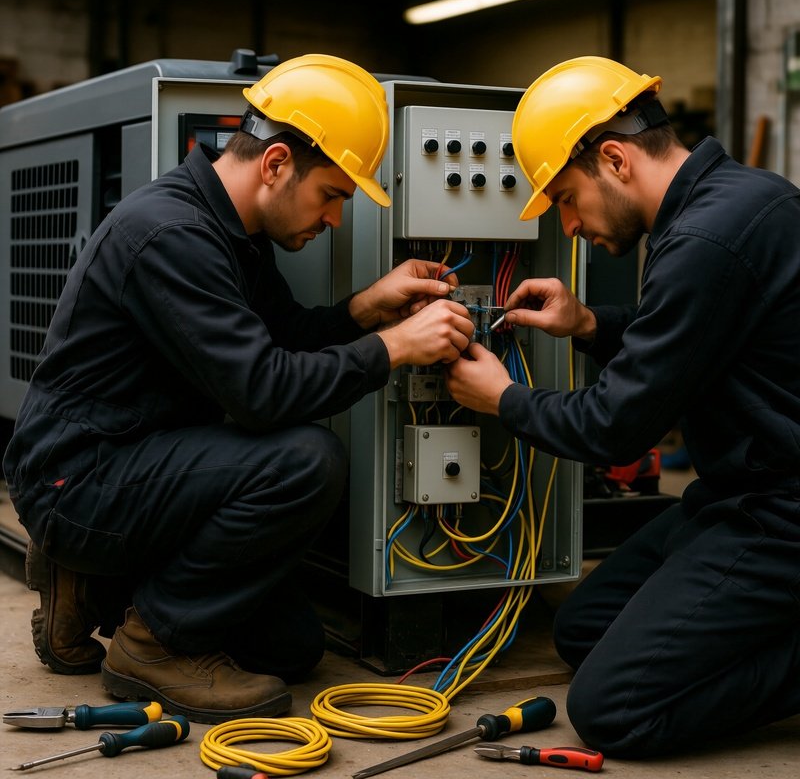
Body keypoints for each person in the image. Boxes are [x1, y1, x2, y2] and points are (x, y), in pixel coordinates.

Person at [2, 53, 474, 724]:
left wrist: (366, 309)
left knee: (291, 647)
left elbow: (280, 336)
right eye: (333, 196)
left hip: (140, 460)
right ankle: (150, 644)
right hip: (81, 477)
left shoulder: (232, 232)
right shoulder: (171, 235)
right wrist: (393, 348)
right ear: (277, 163)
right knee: (307, 460)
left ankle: (96, 586)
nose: (335, 219)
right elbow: (263, 391)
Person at [444, 55, 800, 757]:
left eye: (568, 199)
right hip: (738, 493)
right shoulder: (730, 202)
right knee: (581, 629)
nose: (568, 225)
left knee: (612, 710)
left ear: (614, 158)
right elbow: (694, 343)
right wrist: (590, 325)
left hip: (782, 514)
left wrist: (504, 399)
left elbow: (615, 426)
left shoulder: (704, 239)